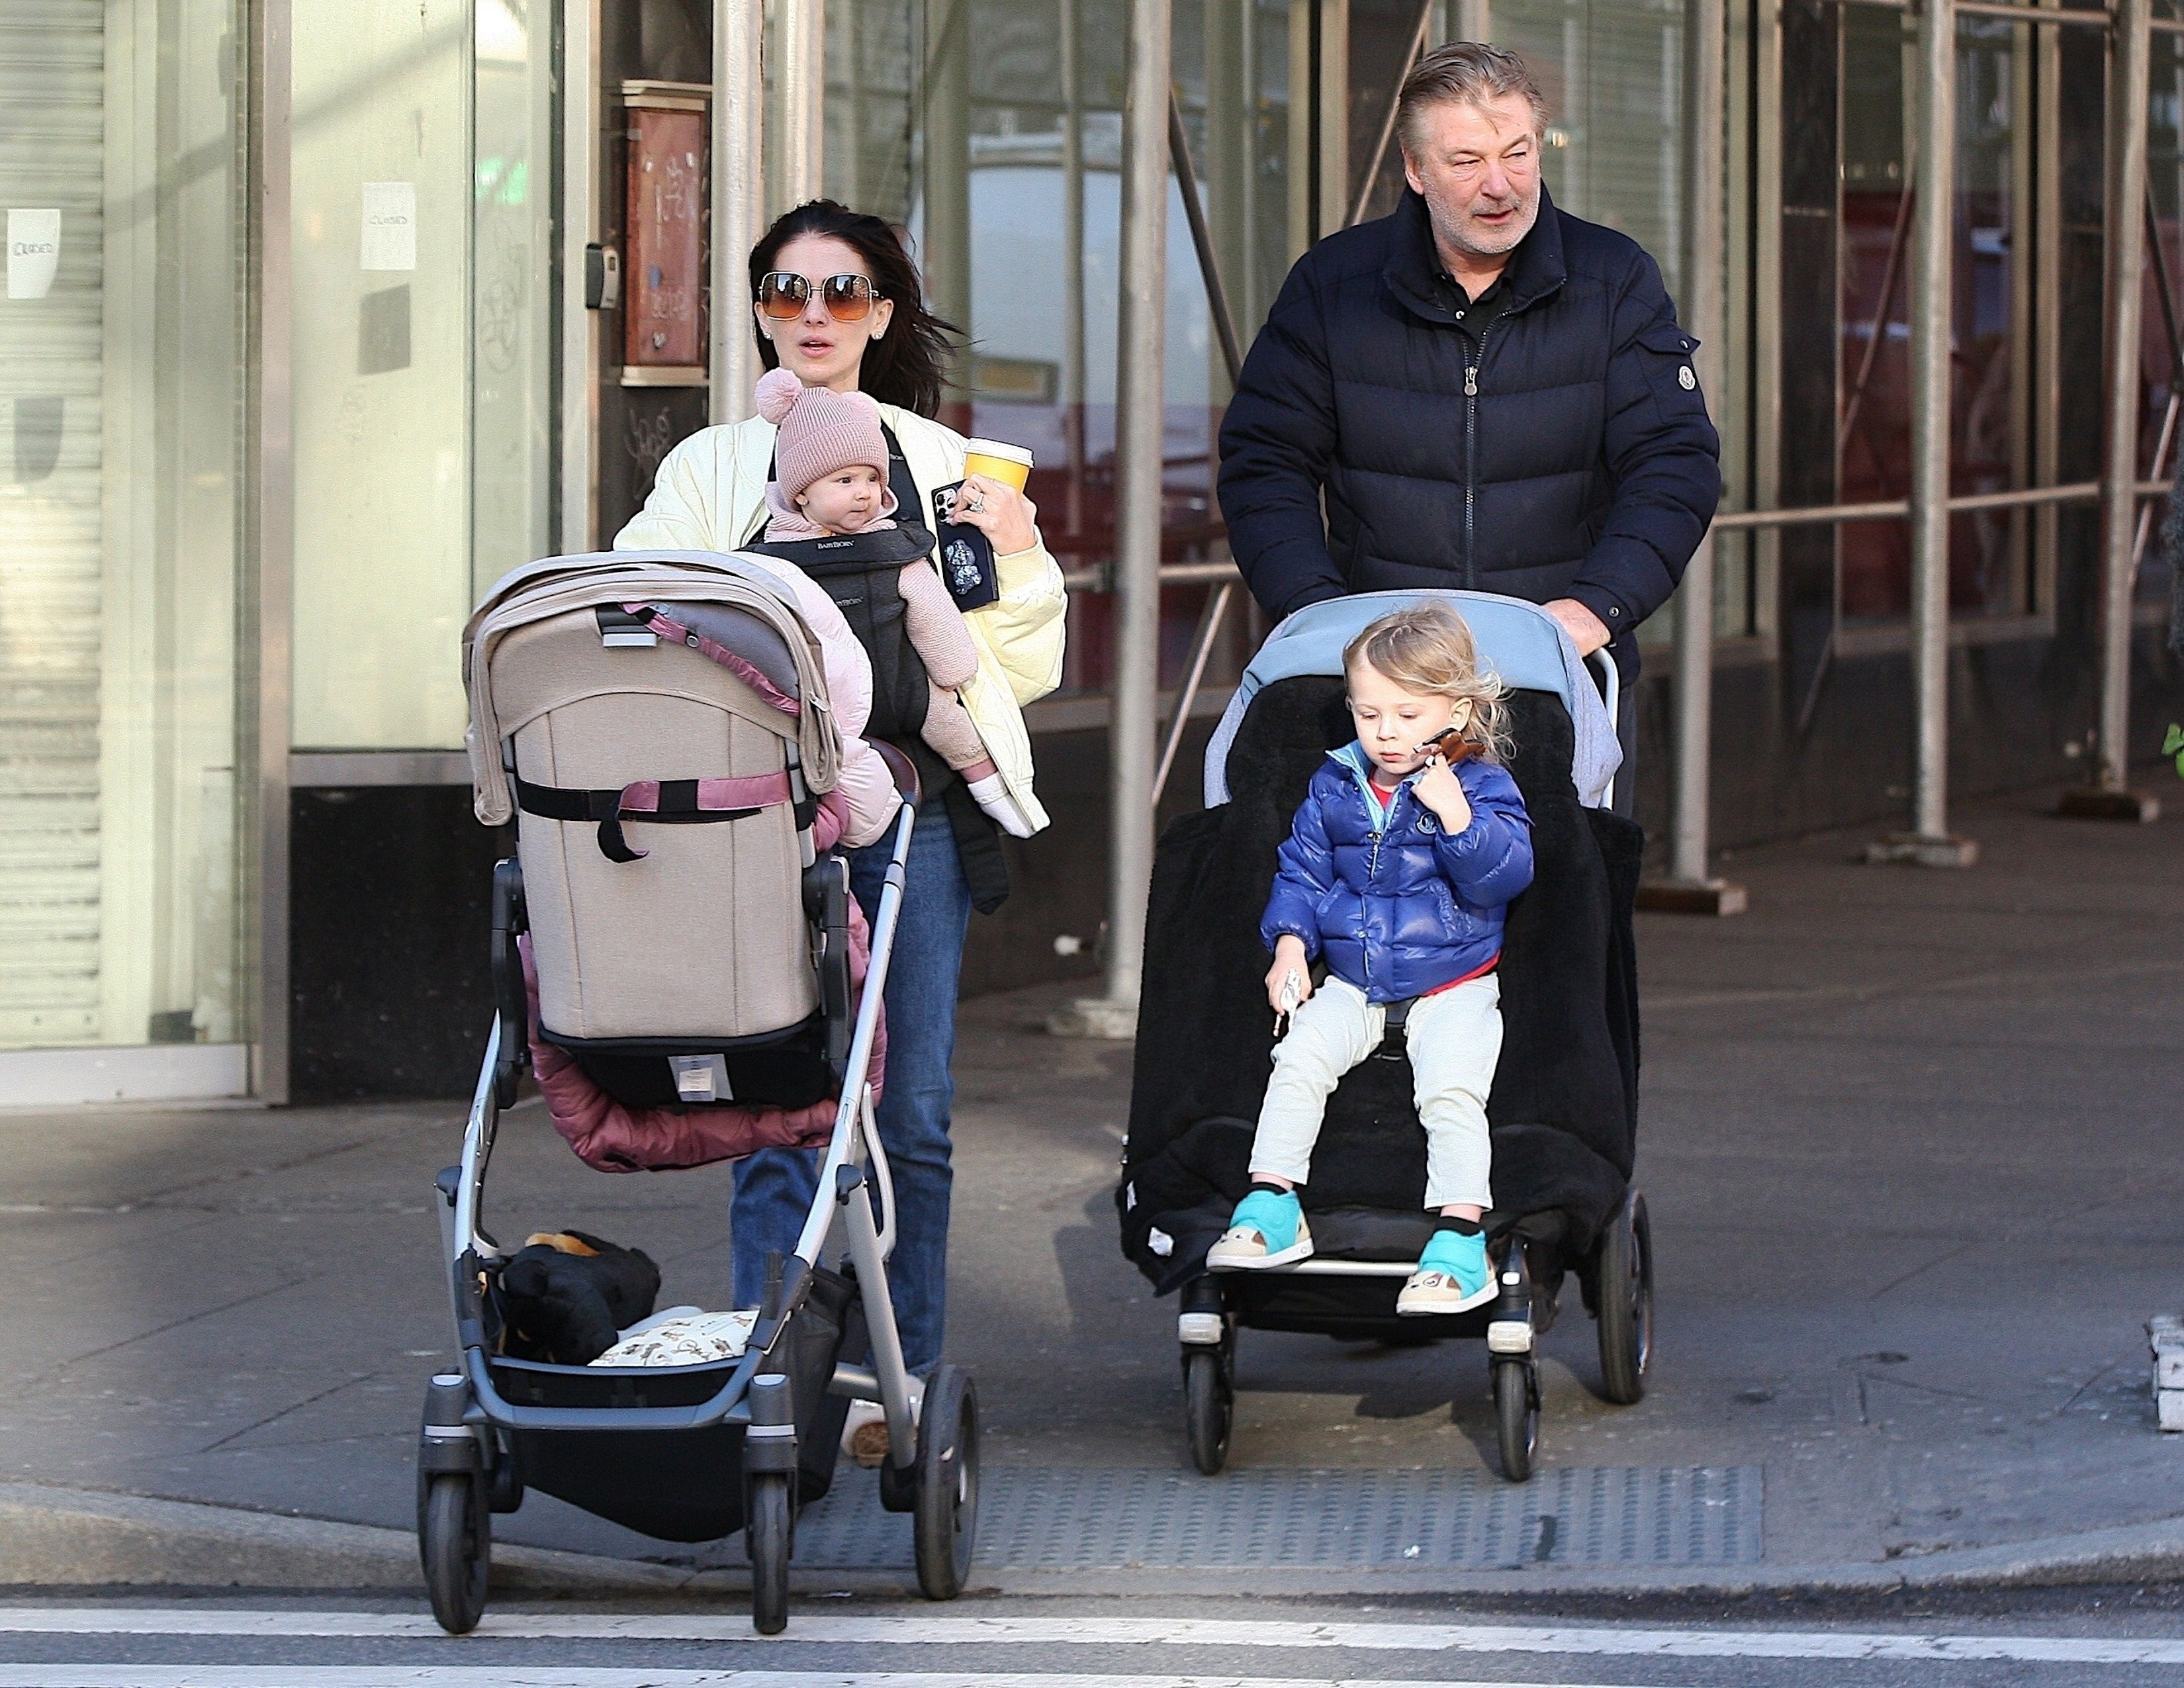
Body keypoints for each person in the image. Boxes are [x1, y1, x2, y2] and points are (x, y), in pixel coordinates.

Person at [615, 201, 1068, 1450]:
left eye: (845, 292)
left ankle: (899, 1382)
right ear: (761, 305)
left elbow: (1015, 666)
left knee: (909, 1109)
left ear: (883, 314)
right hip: (761, 824)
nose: (813, 315)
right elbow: (646, 603)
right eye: (787, 290)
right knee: (778, 1106)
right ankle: (779, 1373)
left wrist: (1019, 567)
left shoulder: (944, 461)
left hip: (911, 816)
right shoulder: (712, 466)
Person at [1215, 42, 1720, 809]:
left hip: (1556, 683)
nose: (1500, 186)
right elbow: (1266, 463)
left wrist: (1598, 609)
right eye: (1466, 161)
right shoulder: (1333, 286)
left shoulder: (1613, 280)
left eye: (1518, 153)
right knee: (1371, 919)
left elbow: (1675, 461)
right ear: (1416, 172)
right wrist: (1320, 616)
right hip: (1379, 693)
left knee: (1566, 921)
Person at [1206, 604, 1533, 1315]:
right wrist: (1291, 943)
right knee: (1297, 1060)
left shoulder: (1481, 786)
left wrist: (1458, 820)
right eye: (1368, 714)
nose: (1387, 734)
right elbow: (1303, 872)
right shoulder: (1337, 784)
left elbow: (1504, 877)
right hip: (1355, 978)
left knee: (1451, 1091)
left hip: (1454, 980)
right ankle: (1272, 1201)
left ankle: (1460, 1236)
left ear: (1461, 710)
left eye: (1410, 716)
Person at [751, 365, 1034, 837]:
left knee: (955, 729)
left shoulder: (893, 548)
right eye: (844, 481)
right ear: (800, 491)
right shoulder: (776, 563)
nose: (864, 493)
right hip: (823, 709)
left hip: (906, 688)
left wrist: (954, 668)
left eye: (870, 478)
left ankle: (995, 795)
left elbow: (932, 615)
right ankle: (856, 828)